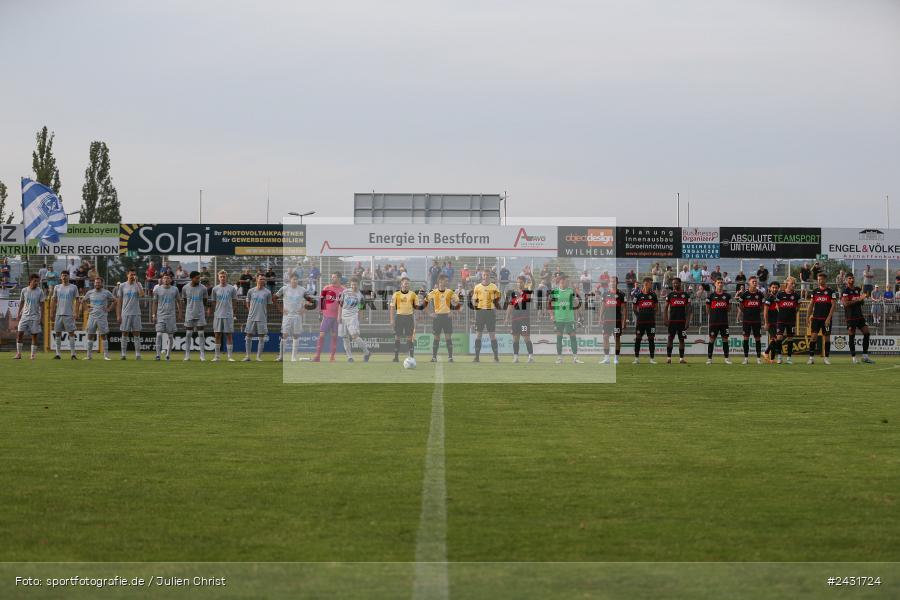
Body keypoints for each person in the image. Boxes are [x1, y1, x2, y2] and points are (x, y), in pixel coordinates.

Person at [273, 273, 311, 362]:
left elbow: (310, 300)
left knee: (296, 335)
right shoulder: (284, 288)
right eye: (293, 279)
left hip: (297, 316)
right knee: (284, 335)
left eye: (296, 279)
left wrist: (304, 308)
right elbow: (274, 298)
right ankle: (281, 357)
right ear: (290, 279)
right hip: (287, 316)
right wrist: (281, 309)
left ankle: (293, 357)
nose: (295, 281)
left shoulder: (302, 290)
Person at [548, 273, 583, 364]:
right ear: (560, 281)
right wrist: (552, 315)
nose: (566, 282)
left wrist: (580, 315)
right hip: (558, 319)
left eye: (567, 281)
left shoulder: (570, 291)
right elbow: (550, 305)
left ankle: (575, 358)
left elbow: (576, 302)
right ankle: (559, 358)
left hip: (569, 319)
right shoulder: (555, 292)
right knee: (559, 338)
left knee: (573, 337)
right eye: (565, 281)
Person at [425, 273, 459, 363]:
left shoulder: (450, 292)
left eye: (447, 281)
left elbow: (457, 301)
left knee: (448, 337)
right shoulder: (433, 292)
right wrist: (430, 313)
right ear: (440, 281)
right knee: (436, 338)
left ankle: (450, 357)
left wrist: (453, 311)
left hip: (447, 317)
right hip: (437, 317)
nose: (447, 282)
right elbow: (424, 303)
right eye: (446, 280)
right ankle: (434, 357)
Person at [468, 270, 502, 362]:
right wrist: (476, 308)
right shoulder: (477, 287)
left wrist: (494, 303)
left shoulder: (494, 286)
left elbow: (498, 298)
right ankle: (477, 357)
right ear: (482, 276)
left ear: (489, 276)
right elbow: (474, 300)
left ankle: (496, 357)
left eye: (487, 275)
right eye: (484, 275)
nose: (485, 276)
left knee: (492, 335)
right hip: (480, 313)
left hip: (490, 312)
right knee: (478, 335)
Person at [841, 273, 875, 364]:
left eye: (852, 278)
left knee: (867, 333)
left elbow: (861, 303)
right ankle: (854, 357)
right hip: (850, 317)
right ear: (846, 280)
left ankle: (865, 356)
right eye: (849, 278)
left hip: (859, 315)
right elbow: (846, 304)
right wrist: (859, 299)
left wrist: (863, 298)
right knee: (852, 335)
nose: (852, 279)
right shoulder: (845, 291)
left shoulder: (857, 289)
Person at [807, 272, 837, 364]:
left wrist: (828, 318)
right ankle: (811, 358)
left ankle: (826, 358)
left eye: (821, 279)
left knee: (827, 338)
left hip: (826, 319)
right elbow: (811, 304)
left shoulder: (831, 291)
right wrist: (807, 316)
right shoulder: (815, 291)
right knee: (813, 337)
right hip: (816, 319)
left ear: (825, 280)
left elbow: (833, 305)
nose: (819, 281)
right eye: (818, 279)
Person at [338, 276, 371, 363]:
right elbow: (340, 305)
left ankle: (367, 352)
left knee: (354, 336)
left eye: (355, 285)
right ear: (350, 284)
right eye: (352, 284)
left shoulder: (360, 296)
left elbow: (361, 309)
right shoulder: (345, 292)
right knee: (345, 337)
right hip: (343, 317)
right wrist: (339, 316)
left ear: (358, 285)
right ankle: (349, 357)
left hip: (353, 317)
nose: (353, 286)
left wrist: (359, 319)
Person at [313, 272, 344, 362]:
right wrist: (320, 313)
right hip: (327, 316)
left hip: (337, 318)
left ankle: (332, 357)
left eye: (334, 277)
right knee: (321, 335)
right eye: (332, 277)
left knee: (334, 337)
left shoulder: (344, 290)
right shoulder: (326, 288)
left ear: (339, 278)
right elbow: (321, 301)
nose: (332, 279)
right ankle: (317, 356)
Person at [116, 269, 145, 360]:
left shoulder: (138, 284)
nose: (133, 276)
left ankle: (138, 355)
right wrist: (118, 315)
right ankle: (123, 354)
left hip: (136, 313)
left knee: (136, 334)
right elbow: (119, 301)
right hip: (125, 313)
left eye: (134, 275)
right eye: (131, 274)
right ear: (127, 275)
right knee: (124, 333)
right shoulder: (122, 285)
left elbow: (142, 295)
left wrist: (137, 283)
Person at [242, 274, 272, 361]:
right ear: (256, 280)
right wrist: (250, 310)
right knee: (248, 335)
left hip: (262, 317)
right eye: (260, 279)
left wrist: (263, 312)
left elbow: (269, 305)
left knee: (261, 337)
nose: (262, 280)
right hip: (251, 317)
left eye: (263, 279)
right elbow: (247, 302)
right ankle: (248, 356)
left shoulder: (268, 292)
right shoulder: (251, 291)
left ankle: (258, 357)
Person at [50, 271, 80, 359]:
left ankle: (73, 354)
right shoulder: (57, 287)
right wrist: (52, 312)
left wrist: (76, 312)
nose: (64, 277)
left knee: (71, 333)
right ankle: (58, 354)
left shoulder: (73, 287)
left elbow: (77, 300)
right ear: (60, 277)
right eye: (62, 275)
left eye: (66, 275)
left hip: (69, 314)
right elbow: (53, 300)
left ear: (69, 277)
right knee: (57, 333)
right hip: (58, 314)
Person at [83, 277, 114, 361]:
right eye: (96, 282)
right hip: (92, 317)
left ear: (102, 284)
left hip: (102, 317)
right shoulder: (90, 292)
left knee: (103, 335)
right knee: (90, 335)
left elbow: (115, 300)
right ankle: (89, 356)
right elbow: (83, 301)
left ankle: (106, 356)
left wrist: (109, 309)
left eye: (99, 283)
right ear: (94, 283)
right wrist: (87, 309)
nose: (97, 284)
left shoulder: (106, 292)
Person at [210, 270, 239, 362]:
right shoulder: (215, 289)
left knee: (229, 335)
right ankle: (217, 356)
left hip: (228, 315)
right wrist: (216, 311)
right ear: (218, 278)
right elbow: (213, 302)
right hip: (218, 315)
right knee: (217, 335)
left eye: (224, 276)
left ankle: (230, 357)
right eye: (221, 277)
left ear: (226, 277)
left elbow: (234, 301)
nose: (222, 278)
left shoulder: (232, 288)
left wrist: (232, 312)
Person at [14, 274, 45, 360]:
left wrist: (41, 317)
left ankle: (32, 355)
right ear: (30, 281)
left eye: (37, 281)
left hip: (35, 316)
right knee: (19, 334)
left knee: (34, 335)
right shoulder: (24, 290)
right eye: (35, 281)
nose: (36, 283)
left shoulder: (40, 291)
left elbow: (42, 305)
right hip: (24, 316)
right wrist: (18, 314)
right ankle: (18, 354)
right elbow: (22, 302)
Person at [150, 273, 180, 361]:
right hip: (160, 315)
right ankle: (158, 355)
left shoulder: (175, 289)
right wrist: (153, 315)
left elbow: (179, 301)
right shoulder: (157, 289)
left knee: (170, 336)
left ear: (171, 280)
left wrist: (180, 313)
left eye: (168, 278)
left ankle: (168, 355)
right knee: (159, 334)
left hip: (171, 316)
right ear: (162, 280)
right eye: (164, 278)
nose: (166, 279)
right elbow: (154, 303)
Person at [737, 276, 765, 364]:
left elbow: (762, 306)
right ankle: (746, 358)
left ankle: (758, 358)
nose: (755, 283)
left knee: (758, 339)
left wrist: (757, 312)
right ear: (749, 283)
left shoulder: (760, 294)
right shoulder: (744, 294)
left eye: (756, 281)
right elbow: (741, 306)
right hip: (747, 320)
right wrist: (746, 312)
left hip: (757, 320)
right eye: (753, 281)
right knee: (746, 338)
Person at [390, 275, 419, 362]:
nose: (406, 285)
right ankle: (396, 357)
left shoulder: (413, 294)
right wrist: (392, 319)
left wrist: (416, 319)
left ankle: (411, 357)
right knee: (397, 337)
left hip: (409, 317)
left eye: (407, 283)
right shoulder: (396, 294)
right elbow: (392, 307)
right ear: (401, 284)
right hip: (399, 317)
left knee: (409, 338)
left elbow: (416, 308)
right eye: (405, 283)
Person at [598, 276, 626, 365]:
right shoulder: (605, 294)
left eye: (614, 281)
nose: (612, 283)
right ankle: (606, 358)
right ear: (609, 283)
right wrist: (600, 317)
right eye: (611, 281)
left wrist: (624, 321)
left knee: (617, 338)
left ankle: (616, 358)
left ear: (617, 283)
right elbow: (602, 306)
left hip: (617, 321)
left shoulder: (621, 294)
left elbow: (624, 309)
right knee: (605, 337)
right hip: (607, 320)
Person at [773, 277, 801, 364]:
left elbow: (798, 307)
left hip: (791, 320)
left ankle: (789, 358)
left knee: (790, 338)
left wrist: (792, 313)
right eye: (792, 283)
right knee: (779, 337)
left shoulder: (796, 295)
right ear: (787, 284)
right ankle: (779, 357)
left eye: (794, 284)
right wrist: (782, 313)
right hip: (781, 320)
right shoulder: (780, 294)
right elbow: (777, 306)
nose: (793, 285)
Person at [505, 276, 533, 364]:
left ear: (524, 282)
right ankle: (516, 357)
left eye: (521, 282)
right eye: (518, 282)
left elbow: (533, 284)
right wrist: (507, 317)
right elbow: (510, 305)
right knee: (515, 339)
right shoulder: (514, 293)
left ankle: (530, 357)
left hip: (524, 319)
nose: (519, 283)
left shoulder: (527, 292)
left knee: (526, 338)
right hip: (515, 319)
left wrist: (531, 276)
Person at [182, 271, 208, 361]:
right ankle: (187, 355)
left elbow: (205, 301)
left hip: (200, 313)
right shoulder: (185, 288)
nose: (199, 279)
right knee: (188, 334)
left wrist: (200, 309)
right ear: (192, 278)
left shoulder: (203, 288)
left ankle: (202, 355)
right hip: (189, 313)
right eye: (197, 278)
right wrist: (190, 308)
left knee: (201, 333)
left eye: (199, 278)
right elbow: (185, 300)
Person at [664, 277, 691, 364]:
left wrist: (687, 321)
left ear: (680, 283)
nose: (675, 285)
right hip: (672, 321)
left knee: (681, 340)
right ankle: (668, 358)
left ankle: (681, 359)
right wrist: (665, 319)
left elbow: (689, 309)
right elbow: (665, 308)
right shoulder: (670, 295)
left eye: (676, 283)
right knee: (670, 339)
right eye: (673, 283)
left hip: (682, 321)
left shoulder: (685, 295)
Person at [706, 279, 732, 364]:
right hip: (714, 322)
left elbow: (729, 309)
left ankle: (726, 359)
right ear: (715, 284)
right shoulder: (710, 296)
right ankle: (709, 359)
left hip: (724, 322)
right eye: (718, 283)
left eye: (721, 283)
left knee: (725, 340)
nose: (720, 284)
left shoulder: (727, 296)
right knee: (711, 340)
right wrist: (714, 316)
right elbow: (707, 309)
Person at [632, 277, 658, 364]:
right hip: (640, 322)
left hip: (651, 322)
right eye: (651, 283)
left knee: (651, 339)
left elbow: (656, 308)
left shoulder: (653, 295)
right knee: (638, 339)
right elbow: (634, 308)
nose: (652, 284)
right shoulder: (638, 295)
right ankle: (636, 359)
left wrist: (652, 315)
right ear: (646, 283)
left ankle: (652, 359)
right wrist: (638, 316)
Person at [763, 281, 781, 362]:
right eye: (773, 287)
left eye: (776, 288)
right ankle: (766, 352)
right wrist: (766, 323)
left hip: (777, 321)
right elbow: (765, 311)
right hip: (770, 322)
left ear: (778, 288)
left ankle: (772, 359)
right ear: (770, 288)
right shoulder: (768, 297)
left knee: (773, 340)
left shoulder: (778, 297)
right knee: (775, 339)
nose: (774, 289)